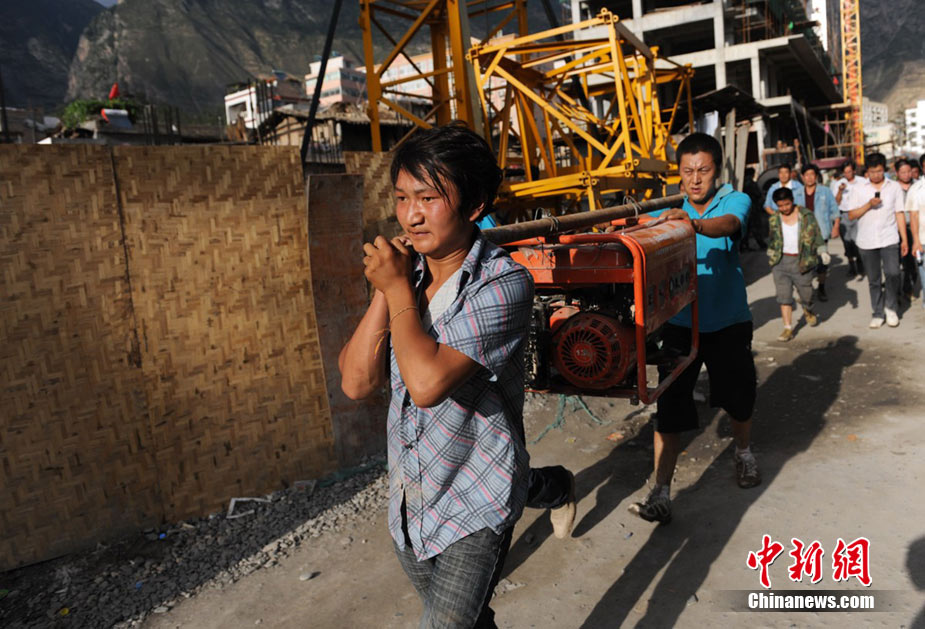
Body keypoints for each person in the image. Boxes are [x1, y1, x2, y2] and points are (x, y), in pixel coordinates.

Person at [338, 123, 574, 628]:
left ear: (474, 205)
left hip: (477, 495)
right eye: (402, 198)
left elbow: (425, 386)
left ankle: (542, 486)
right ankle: (551, 487)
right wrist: (388, 288)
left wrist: (397, 288)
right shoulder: (408, 276)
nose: (411, 214)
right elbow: (357, 382)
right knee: (468, 621)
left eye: (428, 197)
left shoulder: (503, 284)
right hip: (413, 498)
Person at [629, 132, 759, 526]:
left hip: (728, 323)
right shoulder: (669, 212)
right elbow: (636, 227)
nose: (696, 179)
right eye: (688, 172)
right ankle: (662, 491)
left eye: (703, 170)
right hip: (681, 326)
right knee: (669, 409)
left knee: (738, 398)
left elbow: (727, 225)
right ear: (679, 174)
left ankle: (743, 453)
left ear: (717, 171)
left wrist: (694, 224)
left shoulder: (733, 199)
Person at [846, 152, 909, 329]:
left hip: (889, 238)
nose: (876, 175)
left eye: (879, 171)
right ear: (867, 171)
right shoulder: (858, 189)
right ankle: (877, 312)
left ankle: (890, 307)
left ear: (885, 170)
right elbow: (851, 215)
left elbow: (899, 213)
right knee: (873, 279)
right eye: (872, 171)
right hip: (867, 241)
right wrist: (868, 205)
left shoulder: (894, 187)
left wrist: (904, 240)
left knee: (893, 273)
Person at [766, 187, 826, 341]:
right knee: (784, 296)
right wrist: (771, 254)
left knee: (807, 294)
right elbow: (772, 239)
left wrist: (822, 250)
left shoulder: (806, 215)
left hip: (802, 261)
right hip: (780, 262)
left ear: (792, 201)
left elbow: (816, 233)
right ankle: (787, 328)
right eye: (780, 206)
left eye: (786, 204)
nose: (784, 208)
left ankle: (808, 309)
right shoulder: (774, 219)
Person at [800, 163, 839, 301]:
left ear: (816, 176)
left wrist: (836, 227)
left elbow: (835, 210)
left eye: (812, 175)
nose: (809, 178)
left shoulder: (825, 191)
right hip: (803, 234)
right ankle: (807, 289)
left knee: (822, 262)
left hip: (821, 232)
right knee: (806, 263)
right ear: (803, 177)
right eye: (807, 175)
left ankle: (821, 288)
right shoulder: (797, 193)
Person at [831, 160, 868, 279]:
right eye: (845, 172)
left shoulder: (862, 182)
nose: (847, 174)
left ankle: (861, 264)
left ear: (854, 170)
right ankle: (851, 265)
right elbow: (836, 202)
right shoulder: (839, 184)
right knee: (847, 242)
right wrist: (840, 191)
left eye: (849, 171)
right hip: (844, 215)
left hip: (858, 213)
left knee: (858, 241)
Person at [895, 158, 918, 302]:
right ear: (897, 173)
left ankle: (907, 288)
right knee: (895, 264)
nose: (907, 175)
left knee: (911, 262)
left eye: (909, 171)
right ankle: (896, 292)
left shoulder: (918, 186)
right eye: (903, 172)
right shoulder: (892, 188)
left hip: (914, 228)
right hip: (896, 230)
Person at [741, 166, 767, 250]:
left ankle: (744, 245)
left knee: (746, 228)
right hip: (753, 209)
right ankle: (761, 244)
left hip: (745, 209)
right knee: (756, 227)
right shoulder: (751, 183)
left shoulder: (742, 183)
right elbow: (758, 194)